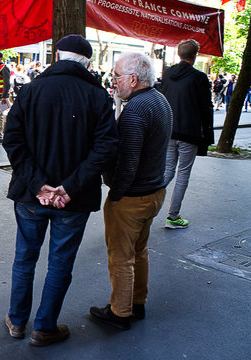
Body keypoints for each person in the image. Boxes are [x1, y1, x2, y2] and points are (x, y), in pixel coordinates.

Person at [2, 35, 118, 346]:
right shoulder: (97, 96)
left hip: (30, 196)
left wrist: (38, 183)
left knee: (25, 258)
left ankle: (16, 319)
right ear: (88, 63)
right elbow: (105, 148)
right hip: (74, 199)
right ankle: (44, 327)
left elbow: (13, 140)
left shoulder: (31, 91)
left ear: (56, 55)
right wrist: (68, 188)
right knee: (60, 263)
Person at [90, 53, 172, 331]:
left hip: (133, 196)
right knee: (139, 251)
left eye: (116, 76)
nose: (113, 82)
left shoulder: (136, 110)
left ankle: (120, 313)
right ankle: (137, 303)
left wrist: (115, 194)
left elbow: (127, 163)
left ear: (133, 79)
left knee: (121, 257)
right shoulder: (159, 100)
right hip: (154, 192)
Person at [161, 39, 214, 229]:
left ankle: (144, 205)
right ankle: (173, 216)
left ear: (179, 54)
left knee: (167, 171)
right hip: (189, 132)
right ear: (195, 55)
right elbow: (206, 107)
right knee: (183, 173)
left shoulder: (167, 74)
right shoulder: (198, 77)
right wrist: (207, 135)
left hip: (169, 130)